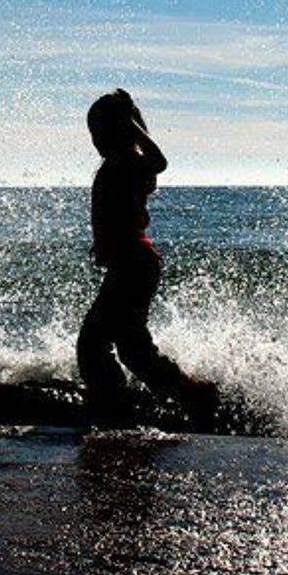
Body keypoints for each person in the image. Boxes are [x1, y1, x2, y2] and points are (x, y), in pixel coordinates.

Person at [77, 89, 218, 426]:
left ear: (119, 131)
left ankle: (114, 404)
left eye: (100, 131)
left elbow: (160, 162)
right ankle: (191, 395)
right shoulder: (118, 164)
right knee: (131, 346)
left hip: (134, 264)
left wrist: (133, 125)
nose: (95, 140)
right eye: (92, 133)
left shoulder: (127, 163)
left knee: (93, 343)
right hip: (131, 264)